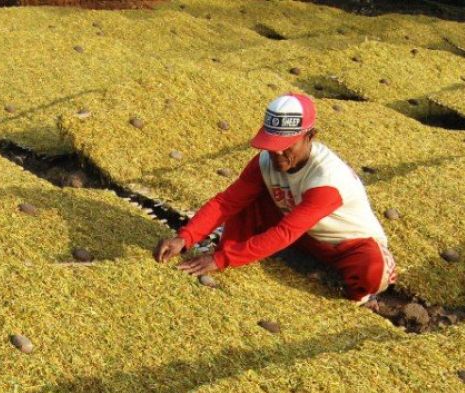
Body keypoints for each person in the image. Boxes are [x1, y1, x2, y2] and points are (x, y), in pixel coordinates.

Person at [153, 93, 396, 306]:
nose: (278, 152)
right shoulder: (265, 163)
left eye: (287, 145)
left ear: (310, 136)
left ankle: (362, 298)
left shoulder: (327, 179)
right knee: (248, 198)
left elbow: (285, 232)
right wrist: (185, 237)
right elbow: (226, 202)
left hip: (345, 246)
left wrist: (220, 260)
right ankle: (268, 253)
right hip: (301, 234)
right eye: (272, 145)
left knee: (373, 273)